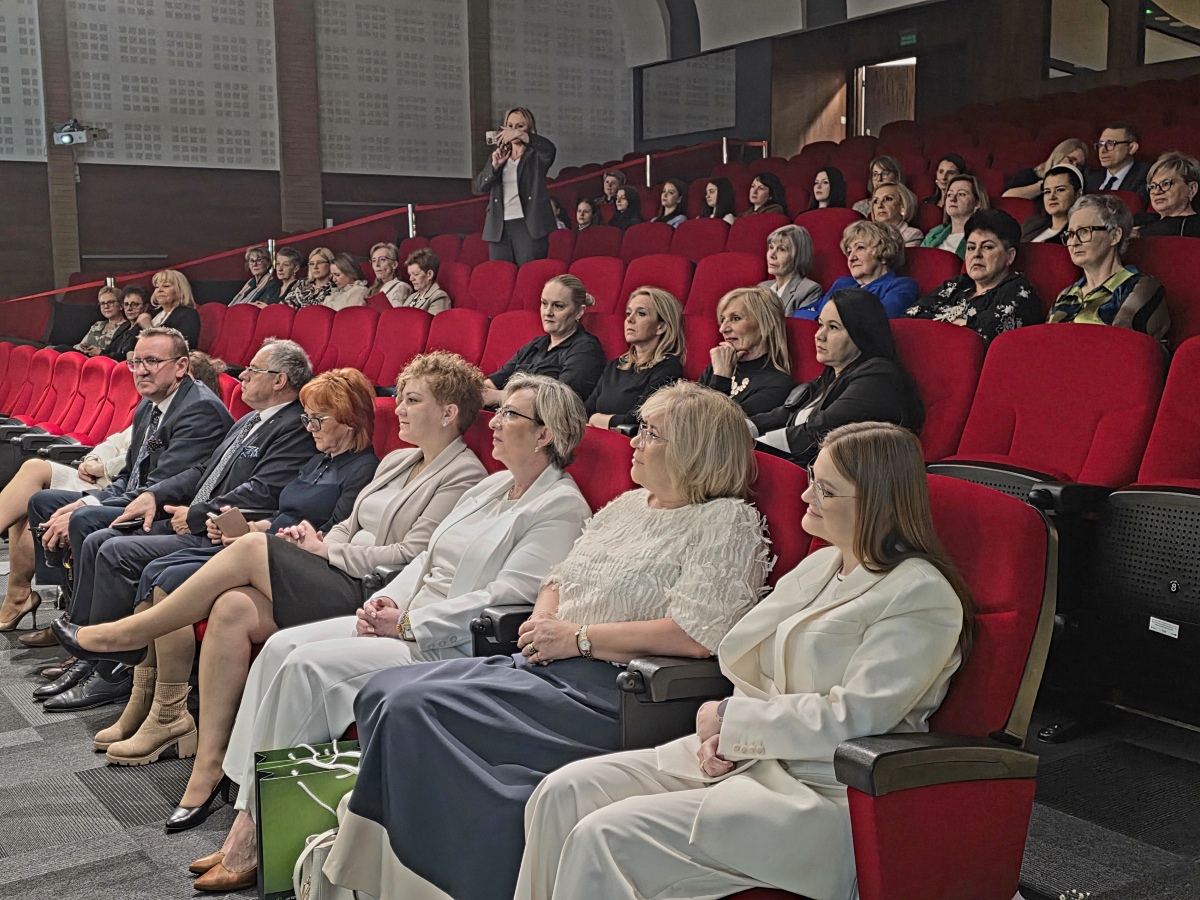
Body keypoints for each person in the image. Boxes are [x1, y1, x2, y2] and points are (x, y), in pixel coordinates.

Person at [323, 380, 771, 900]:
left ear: (694, 450)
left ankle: (456, 881)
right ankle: (396, 878)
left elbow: (695, 634)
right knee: (381, 691)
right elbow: (560, 575)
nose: (634, 441)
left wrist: (578, 638)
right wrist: (543, 622)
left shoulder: (726, 521)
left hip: (613, 692)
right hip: (548, 662)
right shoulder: (629, 505)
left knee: (410, 707)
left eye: (651, 433)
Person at [155, 374, 593, 892]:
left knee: (307, 667)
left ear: (545, 434)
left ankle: (252, 836)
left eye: (510, 415)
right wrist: (386, 601)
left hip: (448, 643)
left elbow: (505, 597)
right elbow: (427, 559)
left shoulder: (559, 507)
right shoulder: (492, 486)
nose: (494, 422)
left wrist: (408, 623)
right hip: (404, 617)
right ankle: (246, 812)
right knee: (279, 647)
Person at [513, 420, 973, 900]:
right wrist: (727, 738)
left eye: (826, 489)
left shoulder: (920, 595)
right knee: (561, 792)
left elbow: (856, 717)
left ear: (879, 501)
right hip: (750, 761)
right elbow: (762, 669)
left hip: (820, 795)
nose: (806, 495)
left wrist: (734, 721)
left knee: (603, 836)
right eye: (811, 479)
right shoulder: (824, 564)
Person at [61, 356, 493, 829]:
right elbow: (348, 523)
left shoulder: (464, 476)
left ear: (448, 413)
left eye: (412, 400)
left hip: (372, 591)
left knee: (249, 546)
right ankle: (207, 766)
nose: (400, 409)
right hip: (331, 567)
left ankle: (125, 634)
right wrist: (317, 540)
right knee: (231, 608)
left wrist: (327, 552)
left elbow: (412, 555)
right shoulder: (398, 460)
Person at [66, 369, 380, 771]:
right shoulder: (319, 459)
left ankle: (166, 710)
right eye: (307, 418)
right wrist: (247, 527)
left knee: (171, 578)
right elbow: (283, 513)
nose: (309, 428)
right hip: (266, 544)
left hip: (301, 566)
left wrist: (265, 536)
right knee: (159, 571)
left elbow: (331, 534)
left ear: (349, 421)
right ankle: (144, 702)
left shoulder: (362, 469)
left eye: (318, 419)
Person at [35, 339, 316, 712]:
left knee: (114, 549)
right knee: (101, 538)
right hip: (193, 517)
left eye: (253, 370)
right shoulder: (251, 420)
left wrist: (196, 514)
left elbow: (261, 492)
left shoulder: (293, 427)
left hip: (219, 532)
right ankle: (91, 656)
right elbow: (203, 470)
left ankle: (107, 671)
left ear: (280, 380)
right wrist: (155, 495)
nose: (242, 376)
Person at [22, 328, 233, 654]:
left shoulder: (199, 410)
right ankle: (72, 612)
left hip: (168, 513)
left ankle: (86, 642)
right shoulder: (150, 405)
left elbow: (160, 490)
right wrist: (90, 499)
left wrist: (86, 507)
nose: (142, 370)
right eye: (136, 362)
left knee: (84, 520)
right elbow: (130, 477)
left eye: (153, 361)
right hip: (140, 497)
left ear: (181, 366)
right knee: (44, 502)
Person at [752, 289, 924, 464]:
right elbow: (784, 413)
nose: (819, 336)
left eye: (833, 327)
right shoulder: (832, 373)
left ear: (860, 334)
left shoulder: (877, 378)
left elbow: (821, 429)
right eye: (820, 325)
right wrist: (742, 428)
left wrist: (752, 445)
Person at [908, 209, 1043, 344]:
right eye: (971, 248)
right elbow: (910, 317)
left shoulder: (1018, 289)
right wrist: (959, 324)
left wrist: (938, 324)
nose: (976, 254)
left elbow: (983, 335)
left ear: (1010, 256)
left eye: (987, 247)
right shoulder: (958, 284)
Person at [1047, 194, 1169, 343]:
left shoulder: (1140, 287)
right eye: (1070, 234)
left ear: (1114, 236)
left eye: (1084, 232)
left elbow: (1120, 343)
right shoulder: (1066, 294)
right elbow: (1045, 343)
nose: (1074, 242)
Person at [482, 274, 606, 406]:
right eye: (544, 303)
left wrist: (499, 396)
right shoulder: (536, 344)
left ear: (579, 312)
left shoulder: (586, 349)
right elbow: (492, 383)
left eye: (558, 306)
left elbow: (559, 400)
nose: (548, 312)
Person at [586, 287, 685, 430]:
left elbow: (638, 419)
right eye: (628, 313)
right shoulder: (616, 365)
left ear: (661, 327)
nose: (629, 319)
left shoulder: (668, 368)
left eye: (641, 313)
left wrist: (597, 419)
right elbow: (587, 410)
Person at [477, 106, 557, 265]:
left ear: (529, 129)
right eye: (510, 126)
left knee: (529, 272)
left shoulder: (535, 155)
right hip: (499, 226)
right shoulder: (500, 153)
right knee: (501, 273)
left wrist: (521, 135)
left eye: (520, 126)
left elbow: (549, 149)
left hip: (529, 224)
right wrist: (494, 167)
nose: (513, 130)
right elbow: (481, 185)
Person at [699, 286, 794, 416]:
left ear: (766, 324)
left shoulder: (777, 384)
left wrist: (722, 378)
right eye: (722, 320)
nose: (723, 329)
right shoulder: (718, 365)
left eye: (736, 318)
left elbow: (715, 423)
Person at [800, 221, 918, 320]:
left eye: (860, 248)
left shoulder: (902, 286)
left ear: (884, 252)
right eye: (849, 251)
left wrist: (824, 319)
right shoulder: (842, 283)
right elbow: (800, 313)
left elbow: (876, 319)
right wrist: (822, 321)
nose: (851, 258)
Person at [1133, 150, 1200, 238]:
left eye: (1166, 184)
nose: (1156, 192)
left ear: (1191, 189)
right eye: (1152, 186)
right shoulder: (1139, 220)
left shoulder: (1196, 226)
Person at [759, 224, 822, 316]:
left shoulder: (809, 290)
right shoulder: (761, 287)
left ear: (798, 256)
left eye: (782, 249)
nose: (772, 255)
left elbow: (800, 324)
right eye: (771, 247)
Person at [921, 173, 989, 258]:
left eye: (961, 194)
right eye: (949, 194)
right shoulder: (934, 233)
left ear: (977, 203)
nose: (953, 199)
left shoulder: (984, 237)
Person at [1002, 138, 1089, 201]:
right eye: (1071, 160)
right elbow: (1007, 197)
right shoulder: (1029, 175)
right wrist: (1044, 185)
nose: (1074, 166)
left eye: (1079, 165)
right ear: (1059, 156)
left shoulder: (1077, 187)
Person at [1084, 122, 1151, 200]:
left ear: (1132, 148)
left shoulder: (1146, 176)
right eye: (1100, 144)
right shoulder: (1090, 179)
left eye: (1110, 144)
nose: (1102, 151)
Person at [1019, 163, 1083, 243]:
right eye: (1047, 192)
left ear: (1078, 194)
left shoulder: (1082, 233)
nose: (1051, 197)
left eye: (1060, 190)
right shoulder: (1031, 225)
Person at [144, 269, 201, 349]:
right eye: (157, 286)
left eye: (166, 286)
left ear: (180, 290)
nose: (159, 290)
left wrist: (148, 328)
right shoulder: (154, 314)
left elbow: (182, 347)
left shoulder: (188, 314)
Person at [66, 286, 125, 356]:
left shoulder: (127, 327)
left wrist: (100, 353)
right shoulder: (97, 325)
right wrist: (84, 348)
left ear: (121, 305)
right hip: (84, 357)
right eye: (102, 303)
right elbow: (80, 346)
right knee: (58, 348)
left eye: (110, 302)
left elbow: (120, 354)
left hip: (105, 360)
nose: (106, 306)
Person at [102, 285, 151, 361]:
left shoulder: (144, 329)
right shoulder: (123, 326)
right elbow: (110, 349)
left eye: (134, 304)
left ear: (145, 307)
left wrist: (101, 353)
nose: (129, 308)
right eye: (126, 304)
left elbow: (128, 356)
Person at [870, 181, 924, 246]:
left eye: (888, 199)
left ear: (902, 206)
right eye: (875, 201)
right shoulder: (865, 234)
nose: (879, 205)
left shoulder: (912, 235)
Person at [402, 248, 451, 313]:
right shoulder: (412, 297)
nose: (411, 279)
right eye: (410, 274)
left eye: (415, 274)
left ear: (429, 274)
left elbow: (433, 320)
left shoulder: (439, 297)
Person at [366, 242, 413, 306]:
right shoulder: (373, 289)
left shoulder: (401, 287)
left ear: (394, 265)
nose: (377, 265)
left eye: (382, 259)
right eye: (374, 260)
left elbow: (395, 312)